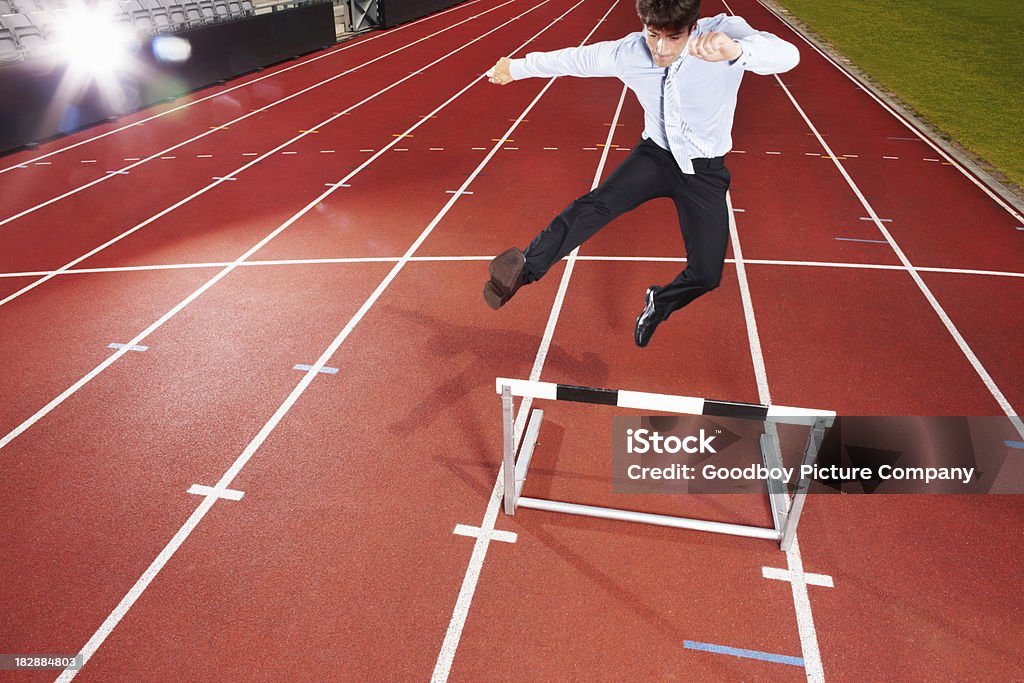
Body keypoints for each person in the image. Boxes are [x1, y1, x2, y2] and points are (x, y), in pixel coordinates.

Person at [482, 0, 799, 346]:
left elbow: (788, 55)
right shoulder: (629, 53)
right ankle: (525, 269)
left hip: (704, 171)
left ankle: (659, 303)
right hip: (656, 156)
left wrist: (737, 50)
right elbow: (574, 59)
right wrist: (517, 67)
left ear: (693, 28)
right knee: (597, 204)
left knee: (707, 274)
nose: (661, 49)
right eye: (653, 35)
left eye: (673, 37)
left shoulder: (724, 34)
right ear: (644, 25)